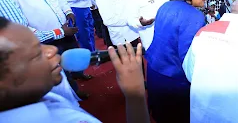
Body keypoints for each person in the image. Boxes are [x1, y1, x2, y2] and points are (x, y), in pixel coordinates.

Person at [0, 17, 150, 123]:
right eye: (36, 53)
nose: (52, 49)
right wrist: (135, 96)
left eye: (40, 44)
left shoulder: (39, 93)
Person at [146, 0, 208, 123]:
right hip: (175, 82)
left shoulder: (165, 6)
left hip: (153, 74)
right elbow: (188, 60)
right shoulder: (195, 16)